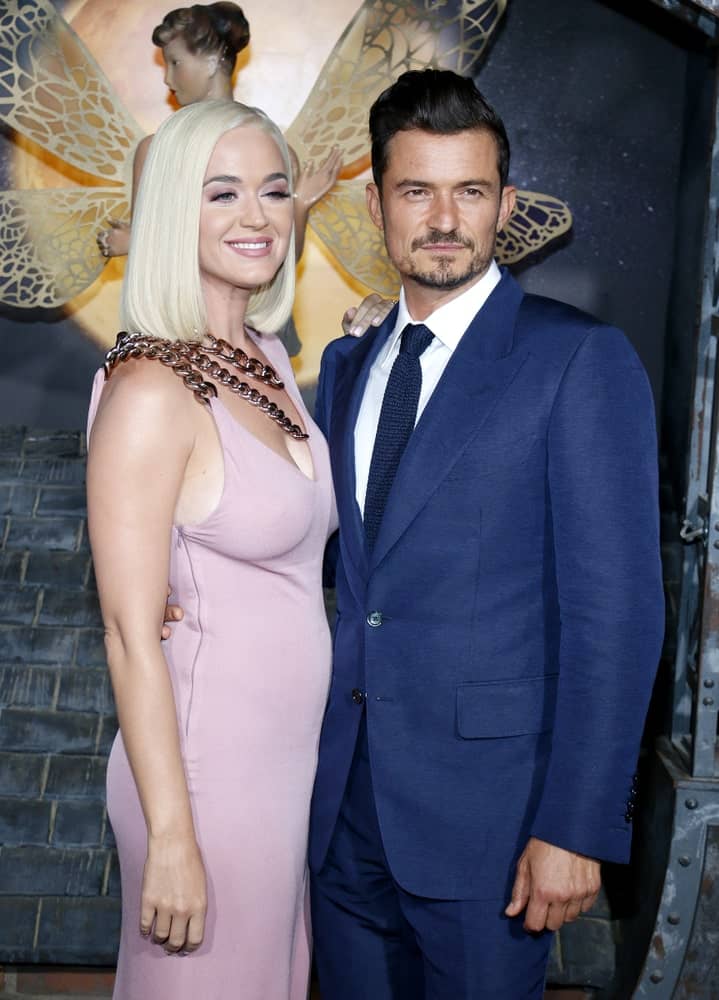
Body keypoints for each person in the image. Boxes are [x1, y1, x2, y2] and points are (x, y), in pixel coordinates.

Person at [307, 68, 665, 999]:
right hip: (343, 812)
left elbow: (617, 617)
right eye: (416, 190)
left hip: (494, 830)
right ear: (377, 203)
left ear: (503, 205)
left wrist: (580, 827)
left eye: (469, 192)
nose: (442, 219)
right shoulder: (349, 366)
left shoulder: (576, 359)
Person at [86, 99, 338, 1000]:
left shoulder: (264, 355)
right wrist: (173, 837)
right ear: (169, 215)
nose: (257, 215)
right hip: (199, 775)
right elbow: (126, 632)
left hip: (279, 772)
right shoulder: (152, 387)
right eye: (220, 192)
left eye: (274, 190)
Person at [97, 2, 341, 269]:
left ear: (212, 62)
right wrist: (140, 239)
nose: (167, 78)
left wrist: (298, 204)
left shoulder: (274, 150)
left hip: (254, 308)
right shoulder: (156, 150)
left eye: (175, 62)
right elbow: (154, 264)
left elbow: (282, 263)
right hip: (184, 306)